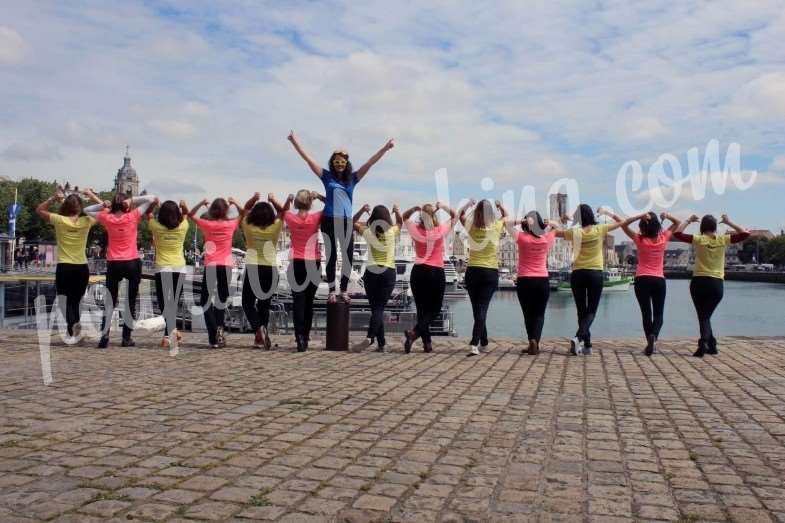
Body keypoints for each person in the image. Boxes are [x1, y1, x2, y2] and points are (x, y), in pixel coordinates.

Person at [287, 130, 394, 303]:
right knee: (331, 255)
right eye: (336, 162)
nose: (339, 164)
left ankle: (343, 289)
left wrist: (385, 148)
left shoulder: (353, 178)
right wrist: (294, 141)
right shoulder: (326, 176)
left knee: (347, 255)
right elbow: (308, 159)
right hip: (329, 220)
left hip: (346, 221)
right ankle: (331, 291)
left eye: (342, 162)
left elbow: (370, 163)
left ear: (346, 163)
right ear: (332, 163)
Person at [602, 210, 681, 355]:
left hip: (642, 279)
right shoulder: (663, 238)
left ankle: (649, 340)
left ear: (642, 226)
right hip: (658, 279)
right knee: (659, 314)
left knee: (646, 314)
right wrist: (668, 216)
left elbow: (624, 225)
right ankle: (654, 337)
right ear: (657, 225)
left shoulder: (639, 239)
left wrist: (640, 216)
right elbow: (678, 223)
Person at [673, 214, 750, 357]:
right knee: (705, 316)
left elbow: (677, 233)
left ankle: (703, 342)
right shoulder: (723, 239)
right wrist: (729, 222)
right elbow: (745, 233)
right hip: (716, 284)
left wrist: (689, 220)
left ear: (702, 227)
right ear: (715, 227)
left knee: (703, 316)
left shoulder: (699, 239)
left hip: (699, 282)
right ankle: (712, 346)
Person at [556, 204, 623, 356]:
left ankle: (587, 345)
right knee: (591, 311)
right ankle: (579, 337)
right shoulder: (599, 229)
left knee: (581, 310)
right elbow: (622, 222)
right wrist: (608, 212)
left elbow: (553, 232)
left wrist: (562, 219)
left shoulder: (574, 232)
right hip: (594, 273)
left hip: (578, 274)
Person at [92, 192, 157, 348]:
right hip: (132, 261)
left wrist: (102, 205)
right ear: (126, 204)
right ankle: (126, 337)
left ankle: (105, 335)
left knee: (110, 301)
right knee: (130, 301)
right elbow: (152, 198)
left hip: (114, 262)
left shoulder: (108, 218)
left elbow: (87, 211)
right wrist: (132, 200)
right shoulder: (133, 216)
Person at [36, 187, 102, 339]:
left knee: (63, 300)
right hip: (81, 266)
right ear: (80, 207)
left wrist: (52, 198)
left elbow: (39, 210)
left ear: (65, 206)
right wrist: (92, 196)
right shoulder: (87, 221)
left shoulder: (59, 220)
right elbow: (107, 211)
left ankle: (73, 325)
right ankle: (74, 326)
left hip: (65, 265)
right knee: (77, 300)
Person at [401, 202, 464, 353]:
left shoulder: (415, 229)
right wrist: (442, 206)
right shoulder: (440, 230)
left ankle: (427, 344)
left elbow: (404, 216)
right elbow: (455, 215)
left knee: (422, 310)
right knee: (434, 309)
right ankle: (414, 333)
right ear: (434, 216)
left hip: (418, 271)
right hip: (436, 271)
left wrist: (414, 209)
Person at [189, 197, 243, 348]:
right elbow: (244, 212)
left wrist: (201, 203)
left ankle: (213, 334)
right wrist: (234, 203)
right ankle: (219, 330)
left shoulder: (208, 224)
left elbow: (190, 214)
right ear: (226, 210)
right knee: (221, 300)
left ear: (212, 211)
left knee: (205, 300)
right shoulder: (231, 224)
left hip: (211, 265)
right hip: (226, 266)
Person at [241, 192, 291, 349]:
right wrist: (274, 200)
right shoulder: (275, 228)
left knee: (247, 302)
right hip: (271, 269)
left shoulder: (248, 226)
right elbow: (283, 212)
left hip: (253, 268)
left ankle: (258, 329)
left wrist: (253, 199)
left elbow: (245, 209)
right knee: (264, 305)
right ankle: (260, 336)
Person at [351, 203, 402, 352]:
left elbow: (352, 221)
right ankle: (371, 337)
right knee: (379, 308)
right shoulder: (392, 232)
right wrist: (397, 211)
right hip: (388, 272)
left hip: (371, 272)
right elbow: (400, 222)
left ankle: (381, 343)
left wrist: (362, 210)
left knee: (376, 308)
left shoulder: (368, 232)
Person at [460, 199, 508, 356]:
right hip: (489, 272)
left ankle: (481, 342)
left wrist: (468, 205)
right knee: (481, 309)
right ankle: (477, 342)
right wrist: (500, 206)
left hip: (473, 271)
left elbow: (459, 214)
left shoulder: (471, 227)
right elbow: (506, 216)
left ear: (477, 213)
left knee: (477, 309)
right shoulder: (496, 227)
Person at [507, 211, 556, 356]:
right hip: (542, 280)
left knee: (528, 314)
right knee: (539, 314)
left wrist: (522, 220)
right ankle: (535, 341)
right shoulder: (546, 238)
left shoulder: (522, 238)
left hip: (525, 280)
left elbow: (507, 224)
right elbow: (557, 226)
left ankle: (531, 342)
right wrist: (548, 223)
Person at [145, 198, 191, 349]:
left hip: (163, 267)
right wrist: (183, 206)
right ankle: (172, 331)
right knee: (174, 302)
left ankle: (168, 335)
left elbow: (148, 213)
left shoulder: (156, 227)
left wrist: (154, 203)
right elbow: (186, 214)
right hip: (179, 267)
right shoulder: (182, 227)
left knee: (164, 303)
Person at [284, 189, 324, 351]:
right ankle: (306, 336)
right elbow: (331, 205)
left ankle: (299, 337)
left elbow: (281, 210)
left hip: (296, 263)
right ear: (310, 203)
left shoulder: (290, 218)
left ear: (296, 203)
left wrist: (287, 200)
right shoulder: (316, 217)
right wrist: (319, 196)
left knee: (298, 302)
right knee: (309, 302)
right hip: (313, 263)